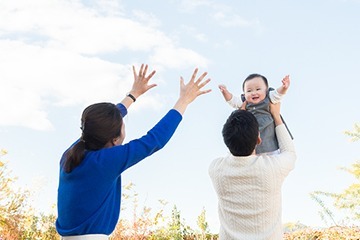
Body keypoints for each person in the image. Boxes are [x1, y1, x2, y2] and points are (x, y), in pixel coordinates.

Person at [56, 64, 211, 239]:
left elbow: (99, 124)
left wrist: (133, 95)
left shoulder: (69, 154)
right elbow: (154, 140)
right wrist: (184, 100)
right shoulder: (106, 161)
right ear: (115, 140)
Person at [208, 102, 296, 240]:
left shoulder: (216, 169)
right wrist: (276, 116)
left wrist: (238, 118)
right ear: (259, 139)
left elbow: (232, 150)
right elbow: (289, 153)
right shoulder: (272, 169)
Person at [218, 74, 291, 154]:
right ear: (244, 94)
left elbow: (278, 94)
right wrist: (225, 92)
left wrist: (284, 88)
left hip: (269, 143)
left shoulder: (269, 98)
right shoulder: (244, 103)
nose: (253, 93)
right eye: (249, 91)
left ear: (266, 91)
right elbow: (233, 101)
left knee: (272, 157)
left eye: (258, 89)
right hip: (252, 144)